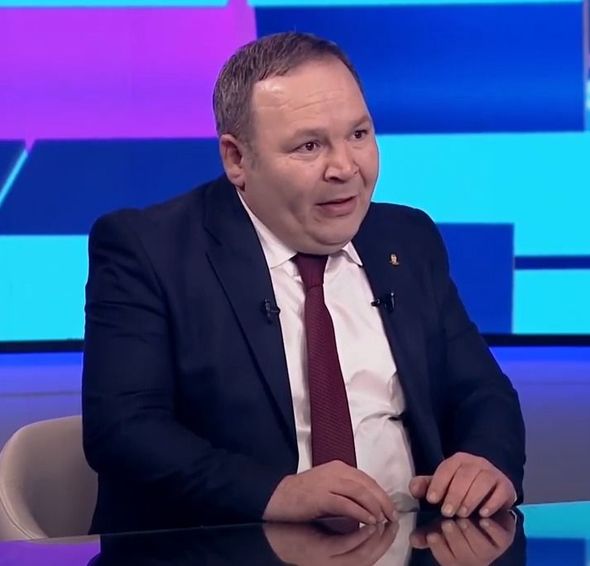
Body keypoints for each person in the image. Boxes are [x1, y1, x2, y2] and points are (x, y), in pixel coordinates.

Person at [82, 32, 525, 535]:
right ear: (237, 159)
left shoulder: (407, 238)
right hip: (228, 546)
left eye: (358, 134)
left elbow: (482, 392)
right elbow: (124, 430)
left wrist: (486, 461)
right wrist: (273, 493)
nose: (345, 168)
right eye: (309, 146)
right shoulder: (149, 251)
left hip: (411, 544)